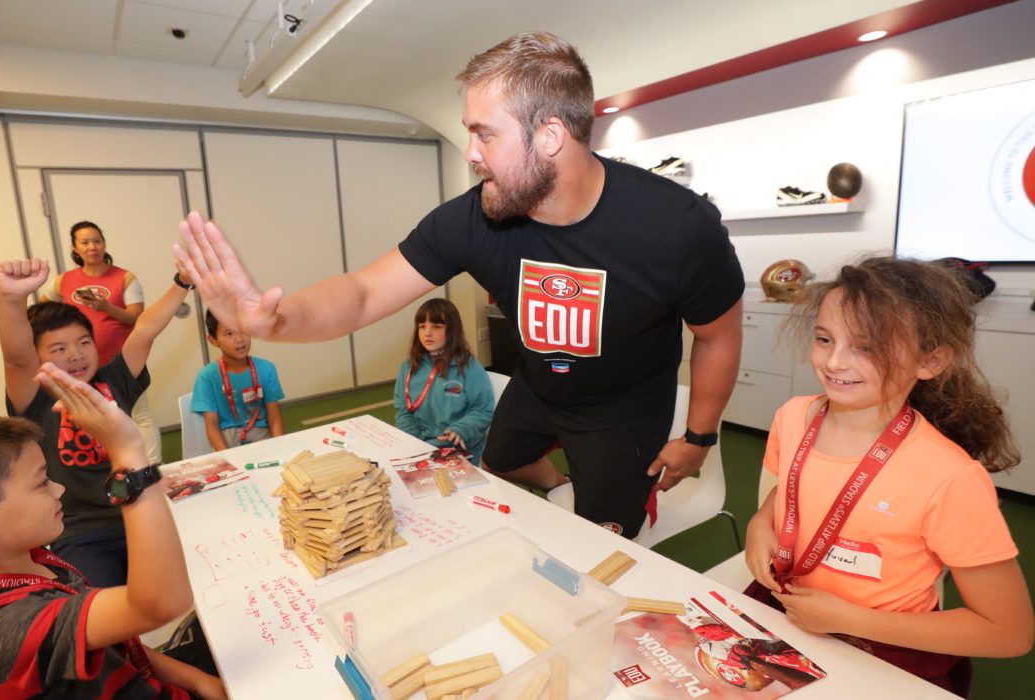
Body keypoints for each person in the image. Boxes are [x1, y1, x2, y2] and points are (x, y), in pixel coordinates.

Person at [174, 32, 743, 538]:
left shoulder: (676, 227)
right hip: (539, 387)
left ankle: (594, 505)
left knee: (605, 544)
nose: (470, 154)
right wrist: (275, 320)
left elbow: (717, 335)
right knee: (498, 463)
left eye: (484, 135)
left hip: (624, 411)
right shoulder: (475, 218)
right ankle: (558, 486)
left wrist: (698, 438)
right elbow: (365, 291)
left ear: (550, 136)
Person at [743, 256, 1033, 696]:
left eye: (867, 347)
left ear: (930, 361)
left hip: (885, 647)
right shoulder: (793, 416)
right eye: (824, 339)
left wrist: (847, 619)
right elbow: (789, 494)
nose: (835, 362)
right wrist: (758, 527)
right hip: (787, 615)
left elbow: (1009, 632)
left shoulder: (950, 477)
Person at [0, 363, 225, 699]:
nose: (59, 489)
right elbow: (161, 604)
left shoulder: (33, 559)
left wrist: (198, 680)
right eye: (41, 482)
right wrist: (127, 453)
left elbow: (120, 648)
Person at [0, 257, 194, 587]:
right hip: (82, 532)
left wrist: (182, 281)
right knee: (101, 610)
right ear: (38, 357)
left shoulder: (114, 379)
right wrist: (11, 299)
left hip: (141, 514)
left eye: (84, 342)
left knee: (190, 587)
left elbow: (144, 330)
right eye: (58, 348)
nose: (75, 354)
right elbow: (15, 356)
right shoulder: (36, 395)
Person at [42, 220, 162, 464]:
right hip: (78, 369)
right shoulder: (62, 282)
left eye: (97, 240)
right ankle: (107, 467)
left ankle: (152, 465)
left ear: (104, 244)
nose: (92, 246)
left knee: (139, 415)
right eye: (84, 242)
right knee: (85, 420)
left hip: (120, 364)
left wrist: (106, 308)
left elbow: (137, 318)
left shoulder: (124, 277)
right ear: (75, 249)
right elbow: (43, 311)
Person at [394, 298, 494, 465]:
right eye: (422, 326)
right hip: (419, 447)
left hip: (460, 451)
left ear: (452, 330)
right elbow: (403, 410)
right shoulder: (409, 367)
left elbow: (483, 410)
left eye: (437, 326)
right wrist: (415, 442)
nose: (427, 333)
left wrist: (461, 429)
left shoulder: (469, 367)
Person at [191, 309, 285, 451]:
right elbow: (211, 426)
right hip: (226, 440)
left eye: (243, 330)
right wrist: (227, 458)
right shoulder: (207, 376)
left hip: (261, 434)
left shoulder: (266, 369)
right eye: (229, 333)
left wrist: (280, 447)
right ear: (213, 340)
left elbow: (274, 418)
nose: (239, 339)